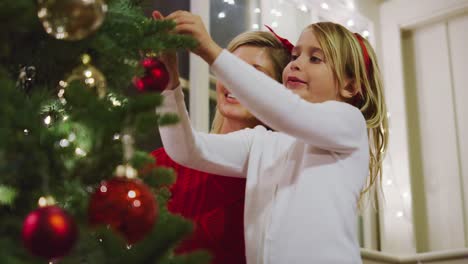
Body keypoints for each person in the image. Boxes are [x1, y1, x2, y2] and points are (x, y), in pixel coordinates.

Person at [158, 10, 388, 264]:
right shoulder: (262, 141)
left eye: (315, 58)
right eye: (295, 55)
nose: (297, 63)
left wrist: (211, 51)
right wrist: (168, 87)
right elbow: (188, 150)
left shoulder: (349, 122)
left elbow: (291, 112)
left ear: (350, 86)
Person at [150, 10, 290, 264]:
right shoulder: (160, 165)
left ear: (278, 94)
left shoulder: (278, 182)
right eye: (231, 69)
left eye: (253, 74)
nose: (234, 82)